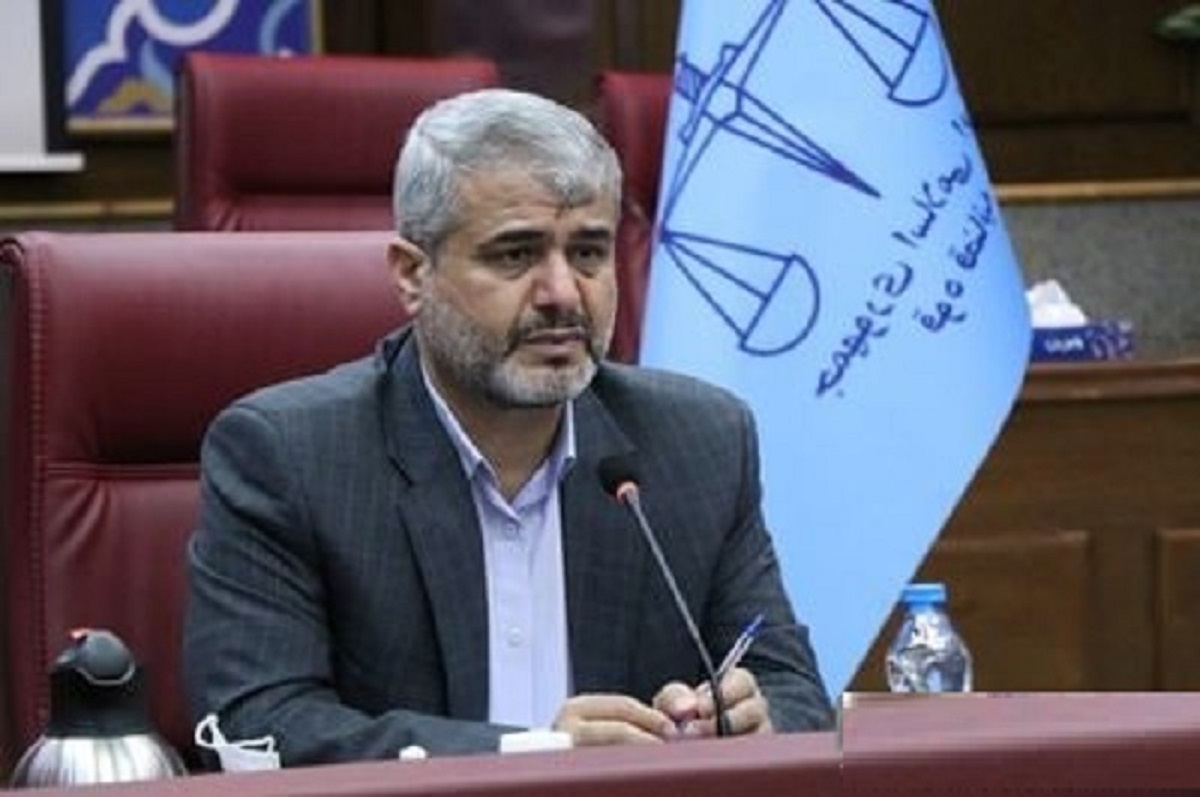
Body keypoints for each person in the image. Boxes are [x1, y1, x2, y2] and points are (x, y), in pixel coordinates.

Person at [183, 88, 833, 766]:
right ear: (412, 275)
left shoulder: (699, 443)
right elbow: (255, 722)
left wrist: (750, 720)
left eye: (588, 253)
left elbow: (792, 691)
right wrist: (538, 751)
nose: (563, 294)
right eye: (516, 255)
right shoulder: (289, 456)